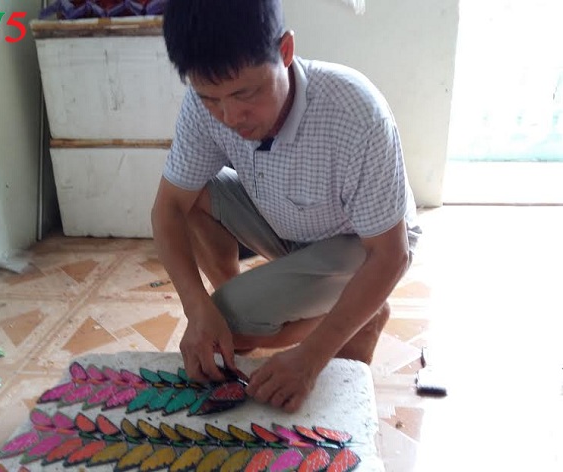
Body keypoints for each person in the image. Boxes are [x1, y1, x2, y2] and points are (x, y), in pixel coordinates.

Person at [152, 0, 421, 412]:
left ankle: (360, 313)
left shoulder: (355, 112)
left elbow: (391, 254)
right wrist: (196, 309)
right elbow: (168, 207)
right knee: (194, 206)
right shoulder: (204, 105)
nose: (230, 116)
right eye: (210, 98)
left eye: (246, 93)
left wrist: (311, 358)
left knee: (233, 326)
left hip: (362, 245)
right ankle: (252, 307)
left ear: (286, 51)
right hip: (284, 220)